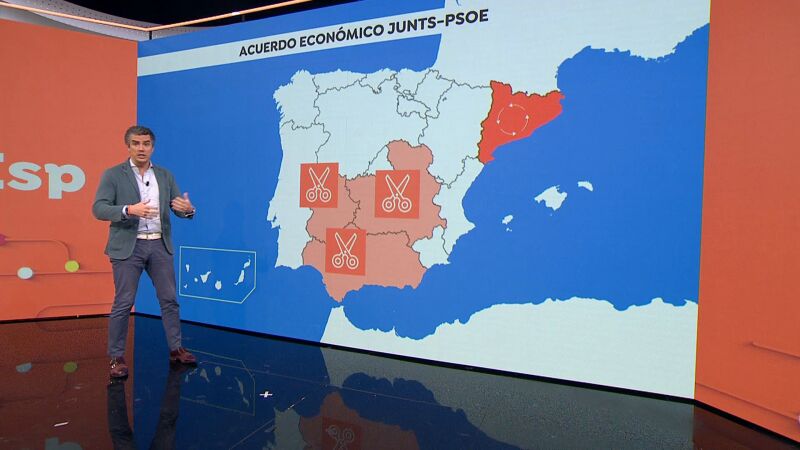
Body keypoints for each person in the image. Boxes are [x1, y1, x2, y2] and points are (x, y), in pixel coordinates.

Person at [93, 125, 197, 378]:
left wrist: (187, 210)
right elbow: (99, 208)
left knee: (169, 300)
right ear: (128, 146)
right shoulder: (113, 175)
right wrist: (129, 210)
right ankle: (116, 357)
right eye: (136, 143)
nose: (141, 148)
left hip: (159, 245)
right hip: (129, 246)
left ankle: (176, 349)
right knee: (124, 302)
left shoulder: (164, 175)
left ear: (152, 147)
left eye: (146, 144)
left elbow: (177, 207)